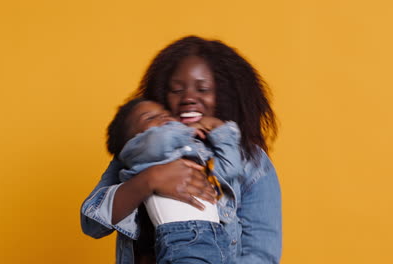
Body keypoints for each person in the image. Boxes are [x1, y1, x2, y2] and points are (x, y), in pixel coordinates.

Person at [81, 35, 282, 264]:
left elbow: (261, 256)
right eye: (176, 90)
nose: (188, 98)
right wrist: (150, 180)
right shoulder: (136, 153)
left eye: (203, 89)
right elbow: (92, 225)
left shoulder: (252, 162)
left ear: (224, 94)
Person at [107, 98, 242, 263]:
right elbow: (158, 141)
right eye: (149, 118)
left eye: (166, 114)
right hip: (184, 237)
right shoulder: (140, 151)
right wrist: (185, 130)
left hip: (218, 238)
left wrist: (220, 129)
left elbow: (231, 168)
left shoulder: (196, 152)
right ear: (132, 140)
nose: (164, 118)